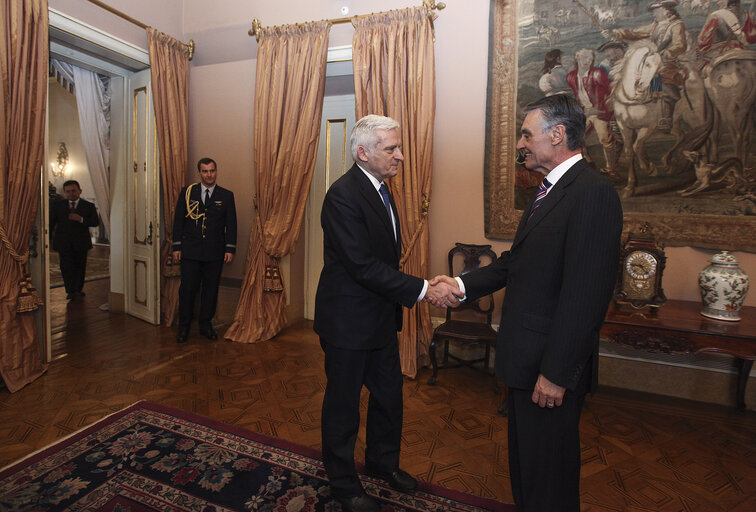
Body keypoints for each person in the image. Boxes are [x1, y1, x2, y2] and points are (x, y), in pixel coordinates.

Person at [430, 95, 623, 512]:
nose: (520, 143)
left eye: (526, 134)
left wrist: (556, 373)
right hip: (526, 361)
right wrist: (461, 286)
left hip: (548, 370)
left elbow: (586, 296)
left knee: (549, 477)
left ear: (557, 135)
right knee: (529, 469)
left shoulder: (593, 194)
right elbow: (517, 262)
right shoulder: (549, 191)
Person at [313, 114, 456, 512]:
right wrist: (425, 289)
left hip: (378, 317)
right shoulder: (342, 195)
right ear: (363, 153)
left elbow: (382, 261)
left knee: (389, 398)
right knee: (342, 407)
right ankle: (343, 484)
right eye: (391, 148)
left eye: (399, 147)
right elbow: (361, 265)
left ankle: (381, 464)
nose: (401, 156)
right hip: (347, 322)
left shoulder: (380, 188)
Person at [172, 158, 237, 343]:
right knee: (188, 290)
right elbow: (179, 221)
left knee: (210, 290)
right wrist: (177, 246)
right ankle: (183, 327)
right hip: (190, 252)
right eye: (205, 171)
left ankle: (205, 326)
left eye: (212, 171)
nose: (209, 174)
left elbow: (231, 224)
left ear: (216, 171)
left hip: (214, 252)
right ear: (199, 173)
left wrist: (230, 248)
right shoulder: (187, 193)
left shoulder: (226, 195)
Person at [604, 0, 687, 133]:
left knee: (661, 82)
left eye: (657, 10)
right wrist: (615, 34)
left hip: (666, 61)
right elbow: (635, 33)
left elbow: (680, 45)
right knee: (624, 79)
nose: (654, 13)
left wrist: (666, 53)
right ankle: (618, 116)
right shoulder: (655, 25)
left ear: (666, 10)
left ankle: (665, 118)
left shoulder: (677, 25)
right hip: (651, 60)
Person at [565, 48, 620, 178]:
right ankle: (587, 163)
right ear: (577, 57)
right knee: (577, 137)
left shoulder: (598, 73)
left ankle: (611, 169)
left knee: (605, 138)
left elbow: (608, 92)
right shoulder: (571, 76)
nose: (588, 61)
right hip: (584, 111)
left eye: (590, 59)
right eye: (585, 57)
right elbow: (577, 95)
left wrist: (599, 108)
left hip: (599, 111)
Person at [50, 180, 100, 300]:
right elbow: (51, 222)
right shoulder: (58, 206)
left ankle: (78, 289)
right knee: (66, 266)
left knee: (80, 266)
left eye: (73, 191)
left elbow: (95, 222)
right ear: (65, 193)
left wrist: (81, 219)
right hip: (64, 241)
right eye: (68, 191)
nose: (71, 194)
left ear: (79, 191)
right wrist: (48, 239)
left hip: (81, 242)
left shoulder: (88, 206)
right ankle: (70, 290)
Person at [697, 0, 756, 69]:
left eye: (719, 0)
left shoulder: (715, 16)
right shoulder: (745, 15)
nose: (717, 3)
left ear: (725, 2)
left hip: (720, 52)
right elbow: (751, 39)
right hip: (741, 50)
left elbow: (703, 44)